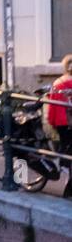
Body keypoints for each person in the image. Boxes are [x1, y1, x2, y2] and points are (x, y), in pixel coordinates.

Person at [46, 54, 72, 199]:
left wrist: (51, 122)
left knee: (65, 148)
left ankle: (65, 173)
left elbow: (52, 107)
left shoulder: (58, 83)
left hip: (63, 123)